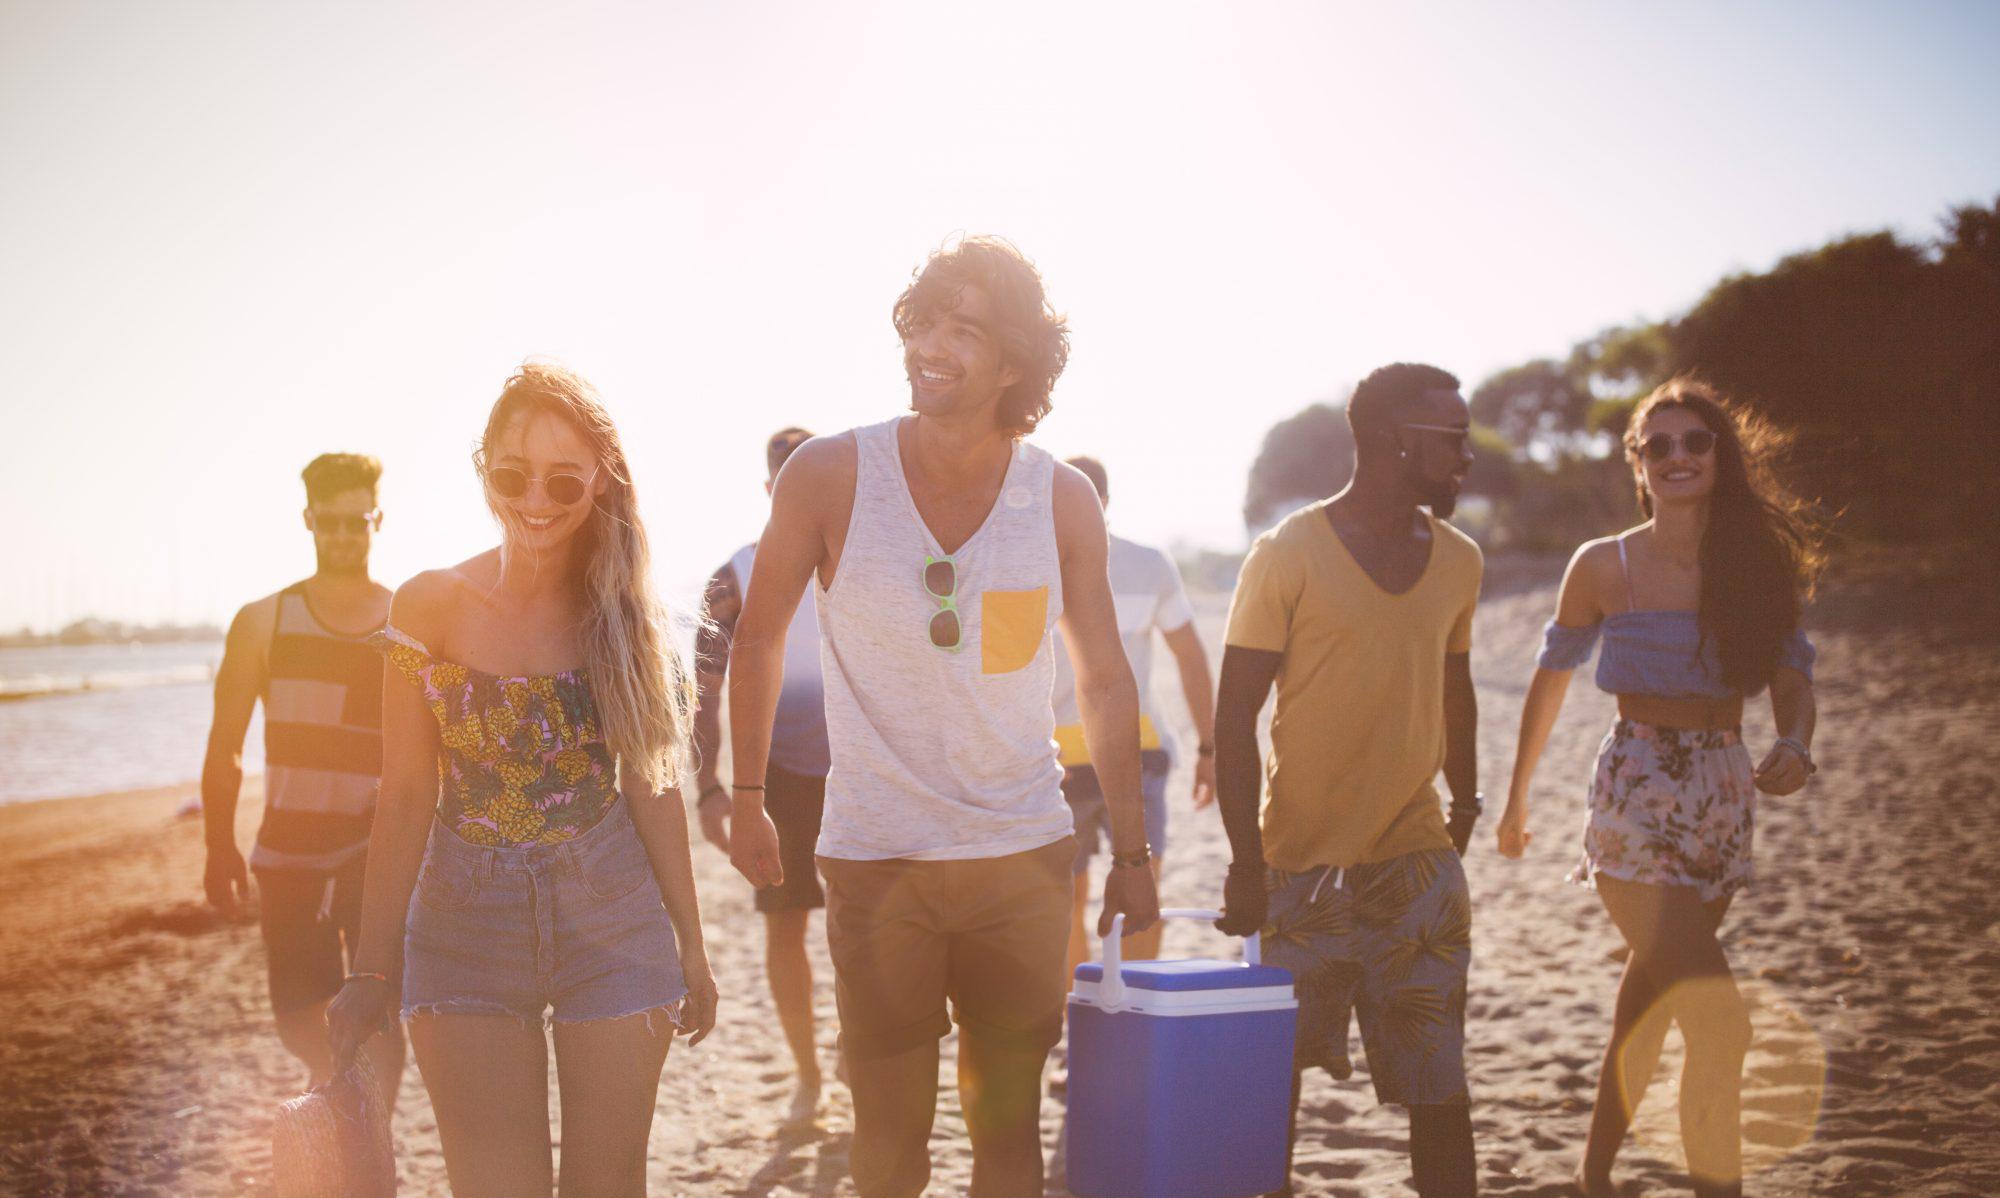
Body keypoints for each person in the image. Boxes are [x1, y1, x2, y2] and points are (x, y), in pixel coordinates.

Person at [725, 235, 1161, 1198]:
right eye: (926, 320)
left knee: (1006, 1141)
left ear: (1014, 363)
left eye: (965, 330)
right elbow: (756, 640)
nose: (932, 344)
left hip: (1020, 856)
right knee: (887, 1150)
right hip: (878, 860)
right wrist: (747, 794)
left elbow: (1105, 682)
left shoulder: (1061, 498)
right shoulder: (831, 475)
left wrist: (1132, 860)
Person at [324, 363, 719, 1197]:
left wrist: (692, 942)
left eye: (564, 479)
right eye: (512, 474)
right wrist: (370, 966)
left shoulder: (626, 616)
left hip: (611, 915)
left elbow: (651, 785)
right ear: (482, 471)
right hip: (463, 928)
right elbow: (403, 795)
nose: (535, 499)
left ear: (600, 479)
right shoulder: (427, 605)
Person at [1496, 377, 1821, 1198]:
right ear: (1638, 465)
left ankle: (1593, 1177)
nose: (1678, 456)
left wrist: (1795, 742)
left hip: (1723, 788)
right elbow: (1550, 679)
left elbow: (1793, 674)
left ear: (1721, 454)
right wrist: (1517, 798)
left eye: (1695, 442)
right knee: (1721, 1023)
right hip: (1636, 791)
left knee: (1645, 1000)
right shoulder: (1601, 564)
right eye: (1659, 446)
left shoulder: (1757, 561)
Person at [1213, 362, 1484, 1198]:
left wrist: (1465, 804)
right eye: (1454, 437)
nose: (1467, 456)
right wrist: (1247, 864)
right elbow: (1233, 719)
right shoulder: (1288, 553)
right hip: (1301, 870)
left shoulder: (1460, 560)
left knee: (1439, 1085)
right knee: (1276, 1089)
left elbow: (1456, 687)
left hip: (1416, 862)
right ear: (1393, 439)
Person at [200, 452, 406, 1106]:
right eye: (330, 522)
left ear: (379, 519)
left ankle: (366, 1125)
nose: (344, 535)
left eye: (358, 521)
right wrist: (217, 845)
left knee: (382, 1006)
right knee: (296, 1015)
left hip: (379, 851)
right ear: (308, 521)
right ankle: (339, 1094)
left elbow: (437, 752)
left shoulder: (409, 620)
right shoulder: (261, 622)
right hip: (286, 853)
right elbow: (226, 745)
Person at [691, 424, 832, 1128]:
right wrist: (711, 788)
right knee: (786, 927)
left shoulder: (864, 563)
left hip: (866, 770)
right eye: (785, 479)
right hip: (772, 773)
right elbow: (700, 692)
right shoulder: (734, 577)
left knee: (873, 931)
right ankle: (809, 1074)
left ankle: (866, 1066)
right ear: (771, 486)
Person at [1051, 454, 1215, 976]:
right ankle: (1130, 1015)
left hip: (1069, 754)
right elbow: (1189, 655)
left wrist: (1210, 748)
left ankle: (1081, 1018)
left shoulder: (1030, 562)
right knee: (1140, 895)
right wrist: (1208, 748)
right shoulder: (1148, 563)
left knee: (1069, 904)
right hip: (1120, 750)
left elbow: (1191, 658)